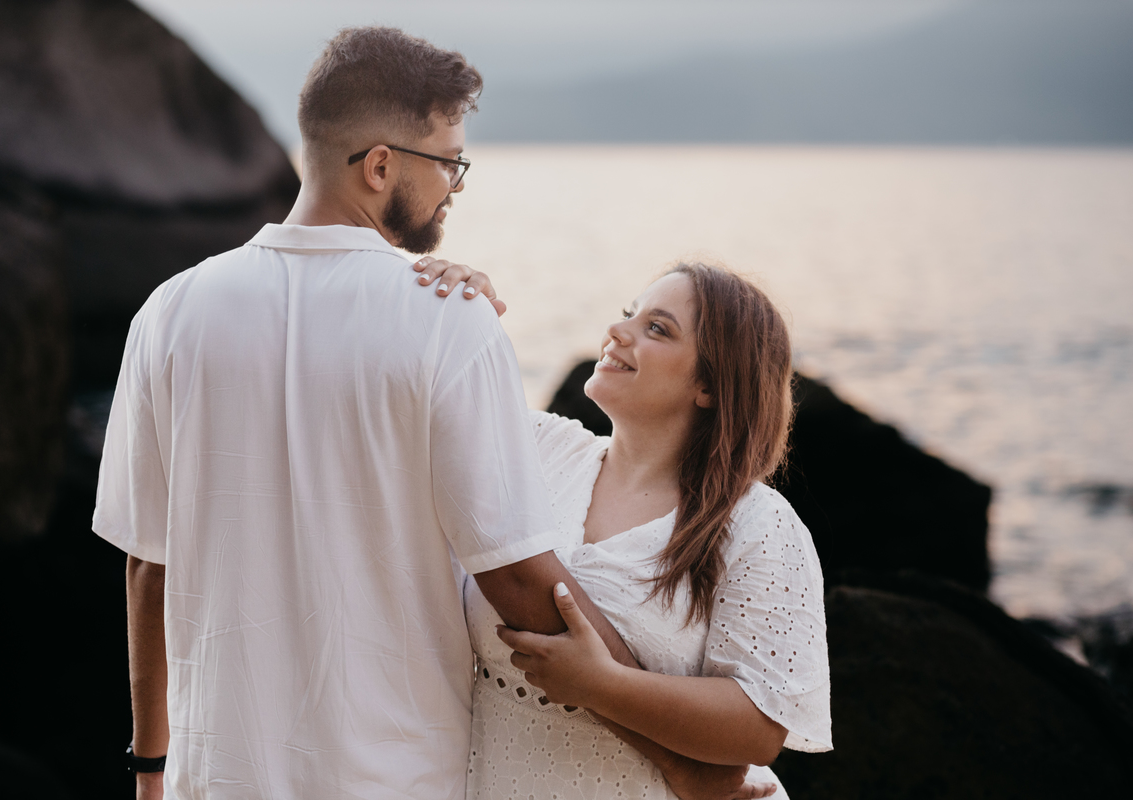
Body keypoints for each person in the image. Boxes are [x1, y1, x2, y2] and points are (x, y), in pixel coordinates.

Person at [94, 27, 648, 800]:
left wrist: (150, 773)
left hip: (214, 781)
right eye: (450, 162)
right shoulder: (449, 319)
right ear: (381, 164)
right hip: (394, 780)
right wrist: (677, 745)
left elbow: (148, 566)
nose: (456, 185)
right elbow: (520, 578)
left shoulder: (168, 313)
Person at [419, 261, 834, 799]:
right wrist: (456, 306)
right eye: (628, 315)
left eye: (656, 328)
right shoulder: (537, 449)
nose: (618, 331)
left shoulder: (758, 526)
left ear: (709, 384)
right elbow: (415, 398)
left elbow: (758, 728)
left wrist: (604, 685)